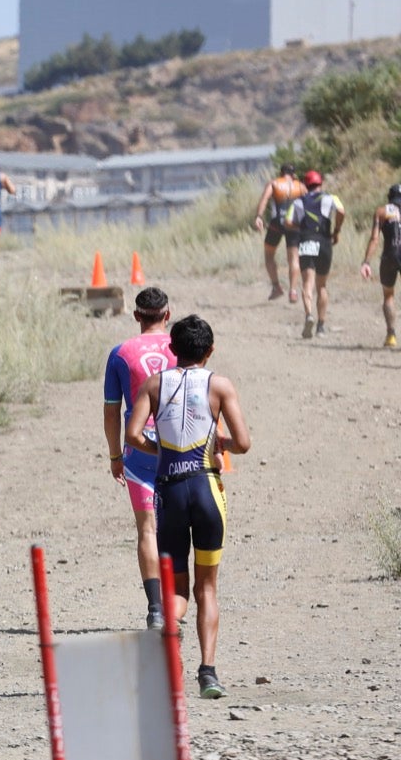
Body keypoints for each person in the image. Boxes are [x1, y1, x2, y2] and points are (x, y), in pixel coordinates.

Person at [126, 315, 252, 699]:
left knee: (177, 587)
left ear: (173, 350)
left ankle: (168, 633)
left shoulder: (153, 383)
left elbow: (131, 435)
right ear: (210, 351)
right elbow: (244, 443)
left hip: (169, 491)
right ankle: (208, 673)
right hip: (206, 488)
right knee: (208, 587)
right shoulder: (220, 385)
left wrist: (160, 449)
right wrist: (221, 445)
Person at [102, 287, 177, 629]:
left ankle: (156, 609)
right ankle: (179, 600)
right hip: (177, 447)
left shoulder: (120, 353)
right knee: (177, 529)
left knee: (147, 530)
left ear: (136, 317)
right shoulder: (184, 346)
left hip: (138, 449)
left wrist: (115, 455)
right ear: (168, 315)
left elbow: (112, 412)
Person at [287, 170, 345, 338]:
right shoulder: (331, 198)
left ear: (306, 185)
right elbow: (341, 211)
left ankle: (308, 315)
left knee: (307, 283)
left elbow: (288, 222)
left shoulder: (298, 202)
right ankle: (320, 326)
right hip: (325, 242)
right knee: (322, 286)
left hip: (306, 242)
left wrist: (302, 228)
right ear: (320, 184)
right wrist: (337, 230)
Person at [253, 163, 305, 302]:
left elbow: (264, 199)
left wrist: (259, 216)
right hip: (294, 225)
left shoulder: (274, 183)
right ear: (293, 174)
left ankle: (277, 287)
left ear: (281, 173)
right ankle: (293, 291)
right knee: (294, 259)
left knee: (269, 255)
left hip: (276, 224)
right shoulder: (300, 186)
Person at [358, 183, 401, 349]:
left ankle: (391, 335)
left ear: (389, 197)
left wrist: (366, 262)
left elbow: (374, 239)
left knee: (388, 295)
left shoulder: (382, 212)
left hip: (389, 255)